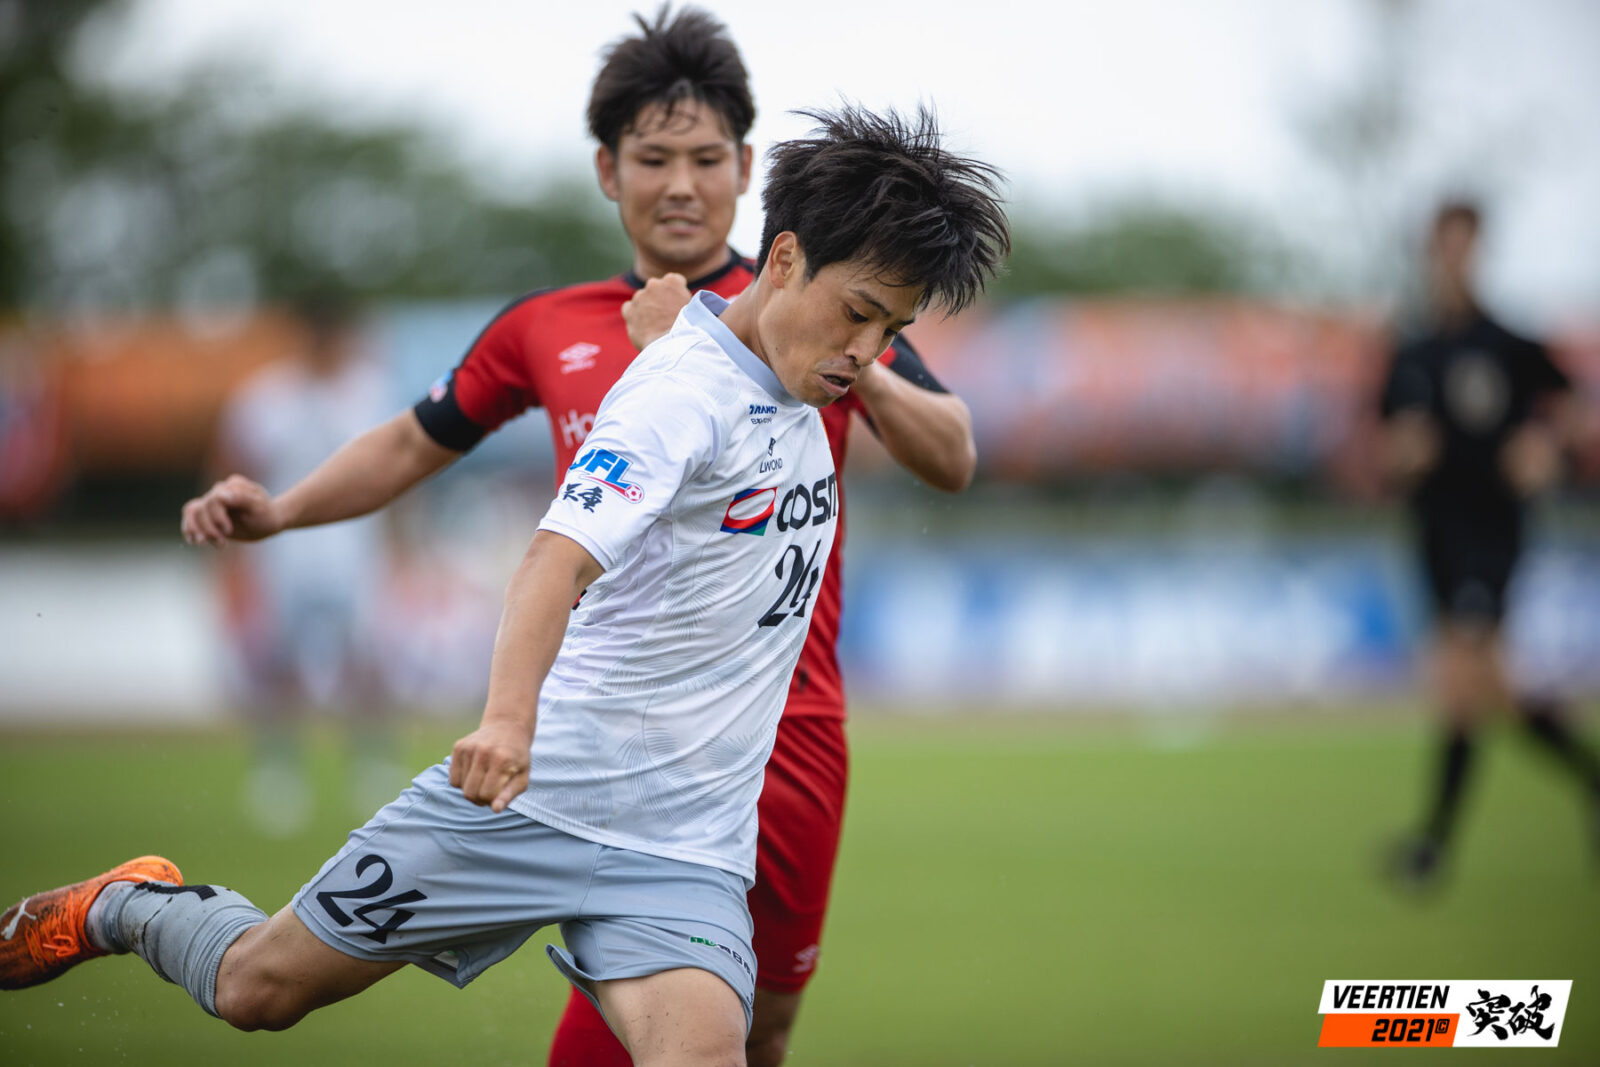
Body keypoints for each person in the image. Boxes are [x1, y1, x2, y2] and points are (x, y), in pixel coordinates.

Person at [1, 105, 1010, 1067]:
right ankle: (125, 905)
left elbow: (926, 441)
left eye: (891, 328)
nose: (866, 352)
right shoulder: (677, 395)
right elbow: (553, 558)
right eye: (858, 315)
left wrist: (710, 334)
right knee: (255, 988)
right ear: (782, 257)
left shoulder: (791, 378)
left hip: (683, 850)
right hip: (534, 798)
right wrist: (506, 723)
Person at [1378, 198, 1600, 887]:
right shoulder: (1412, 351)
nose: (1453, 260)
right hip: (1434, 532)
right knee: (1490, 690)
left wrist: (1550, 448)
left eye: (1464, 246)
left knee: (1462, 675)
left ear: (1478, 252)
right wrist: (1402, 455)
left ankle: (1433, 847)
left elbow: (1574, 410)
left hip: (1491, 531)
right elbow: (1388, 446)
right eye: (1443, 247)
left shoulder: (1509, 343)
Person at [208, 293, 399, 835]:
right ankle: (279, 772)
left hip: (355, 547)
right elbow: (230, 470)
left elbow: (402, 468)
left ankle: (372, 765)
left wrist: (407, 547)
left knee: (365, 659)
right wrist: (230, 557)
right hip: (283, 551)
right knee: (279, 661)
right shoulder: (265, 399)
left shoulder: (370, 391)